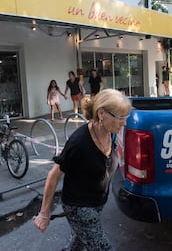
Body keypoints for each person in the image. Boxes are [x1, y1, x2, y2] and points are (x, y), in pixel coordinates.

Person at [33, 89, 132, 251]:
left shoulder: (110, 132)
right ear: (102, 114)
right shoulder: (79, 142)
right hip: (79, 207)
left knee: (79, 243)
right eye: (121, 118)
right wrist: (44, 214)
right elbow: (54, 175)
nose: (124, 123)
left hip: (96, 204)